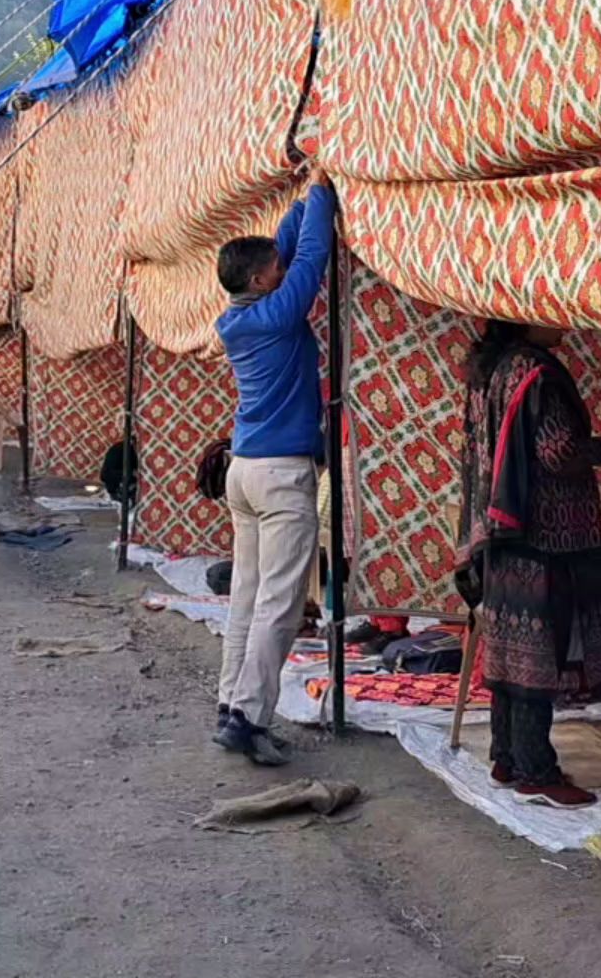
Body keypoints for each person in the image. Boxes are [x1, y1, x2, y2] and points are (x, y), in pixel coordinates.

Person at [455, 320, 601, 809]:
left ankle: (505, 756)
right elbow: (558, 452)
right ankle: (536, 771)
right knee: (539, 654)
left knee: (511, 645)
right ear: (524, 320)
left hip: (500, 525)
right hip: (545, 531)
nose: (562, 320)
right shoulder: (536, 372)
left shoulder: (487, 371)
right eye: (548, 312)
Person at [211, 169, 336, 766]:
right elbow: (310, 252)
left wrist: (303, 190)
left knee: (247, 596)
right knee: (279, 603)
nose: (283, 272)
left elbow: (286, 248)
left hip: (245, 471)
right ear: (262, 282)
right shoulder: (279, 314)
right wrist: (324, 195)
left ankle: (228, 703)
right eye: (275, 272)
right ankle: (249, 715)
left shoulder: (242, 315)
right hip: (282, 475)